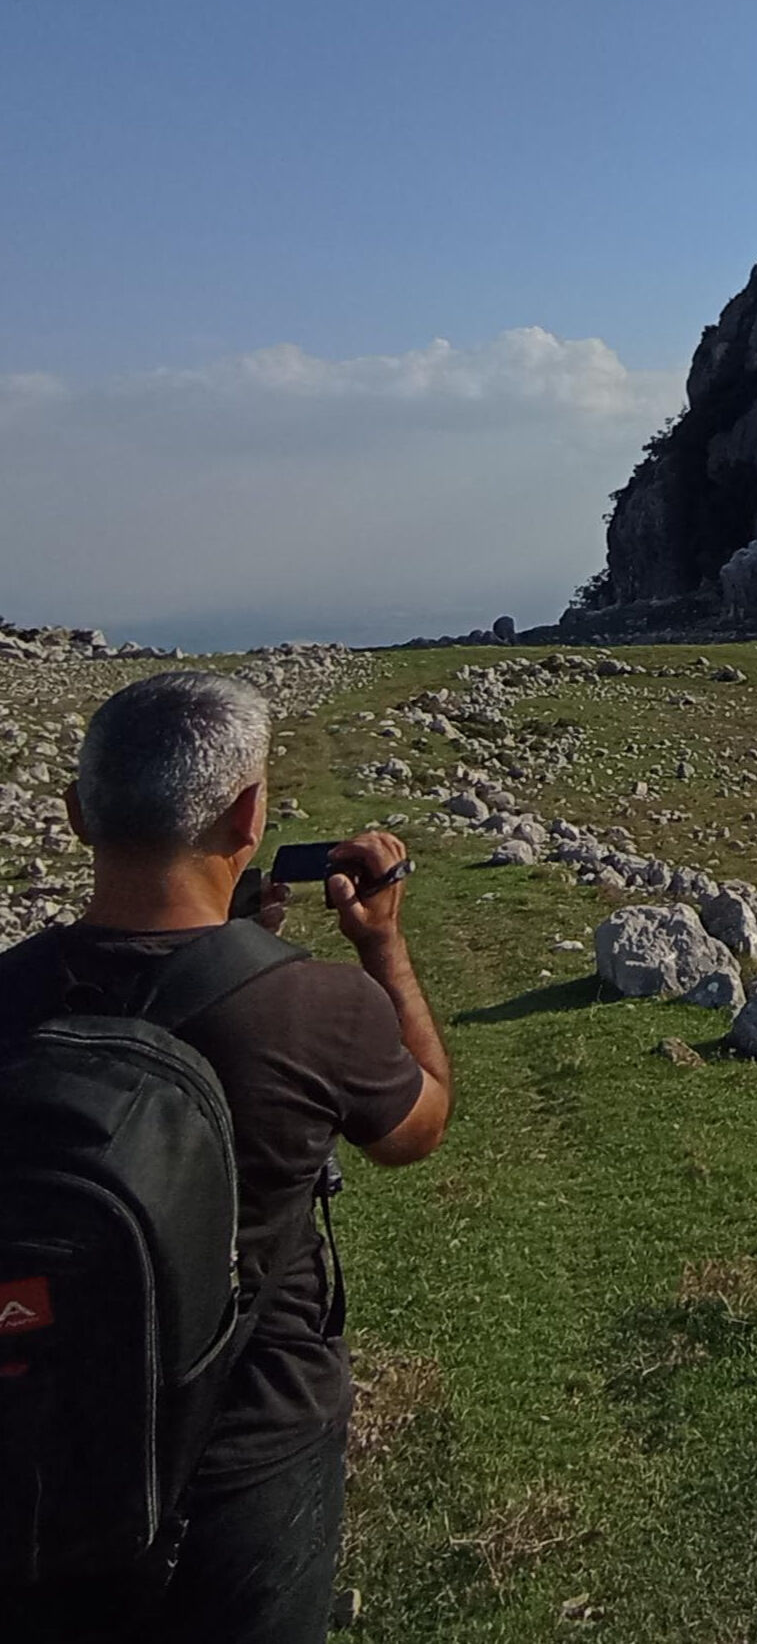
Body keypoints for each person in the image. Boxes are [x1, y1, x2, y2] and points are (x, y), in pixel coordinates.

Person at [2, 671, 452, 1642]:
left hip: (39, 1442)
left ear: (77, 813)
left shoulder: (7, 993)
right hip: (248, 1460)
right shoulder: (314, 1006)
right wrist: (382, 947)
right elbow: (416, 1129)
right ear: (248, 816)